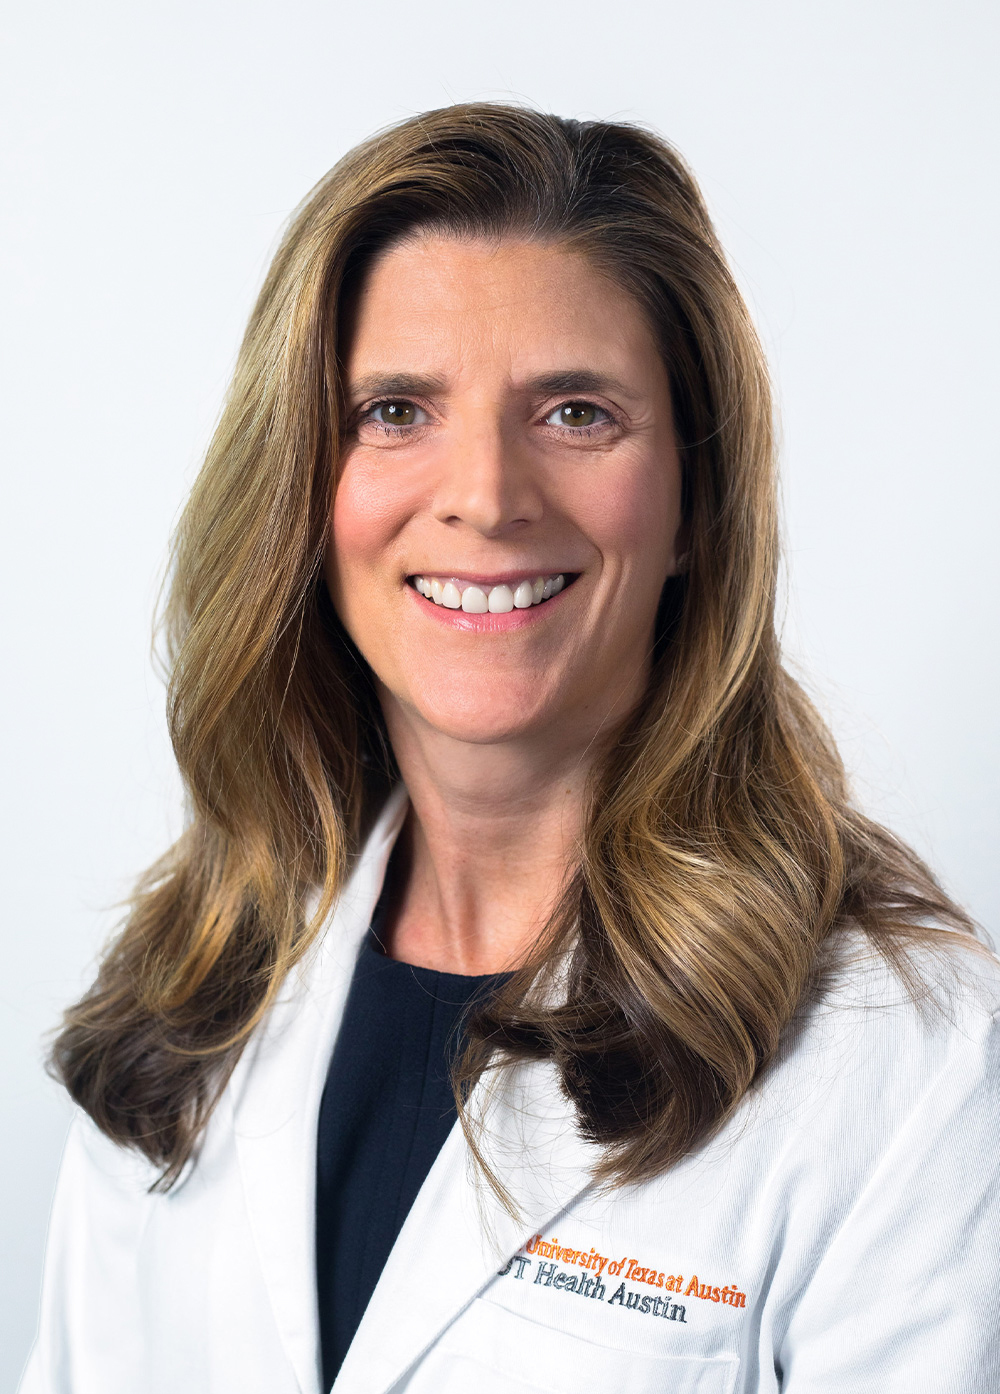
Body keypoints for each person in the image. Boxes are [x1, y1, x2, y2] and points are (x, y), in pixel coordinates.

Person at [20, 104, 999, 1394]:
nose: (486, 493)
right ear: (300, 490)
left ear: (697, 501)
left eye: (579, 412)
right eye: (394, 409)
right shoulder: (198, 980)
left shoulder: (907, 1059)